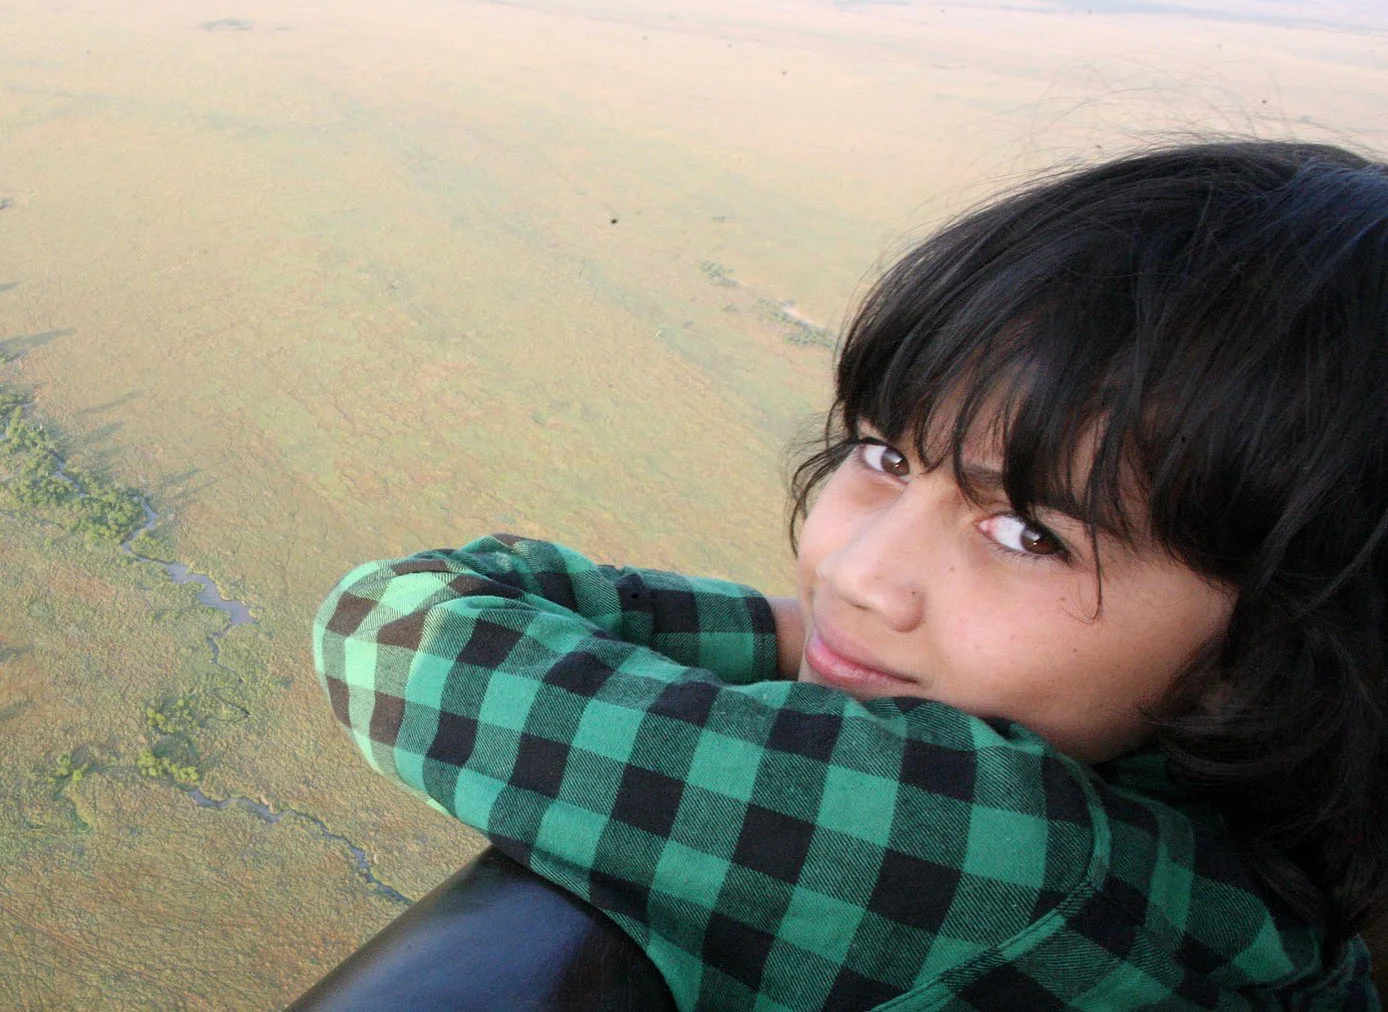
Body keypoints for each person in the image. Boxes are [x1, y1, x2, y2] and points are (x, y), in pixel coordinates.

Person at [313, 141, 1388, 1008]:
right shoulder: (1254, 848)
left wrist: (796, 638)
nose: (859, 569)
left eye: (1025, 532)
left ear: (1283, 643)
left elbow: (396, 635)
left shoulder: (1009, 852)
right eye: (881, 456)